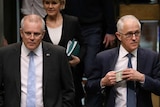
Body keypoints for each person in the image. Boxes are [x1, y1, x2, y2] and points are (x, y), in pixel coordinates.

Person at [0, 14, 75, 107]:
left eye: (36, 34)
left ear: (43, 34)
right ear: (21, 33)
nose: (32, 38)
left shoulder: (58, 54)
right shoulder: (5, 54)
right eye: (28, 33)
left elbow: (68, 90)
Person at [86, 15, 160, 107]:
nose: (134, 38)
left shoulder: (151, 57)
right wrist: (103, 82)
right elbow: (89, 86)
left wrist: (142, 78)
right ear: (119, 36)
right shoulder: (104, 58)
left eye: (137, 33)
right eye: (129, 34)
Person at [42, 0, 86, 107]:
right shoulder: (40, 24)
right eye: (47, 3)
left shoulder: (72, 22)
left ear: (61, 4)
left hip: (70, 75)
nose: (50, 6)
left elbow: (84, 44)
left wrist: (79, 59)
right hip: (47, 76)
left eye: (54, 3)